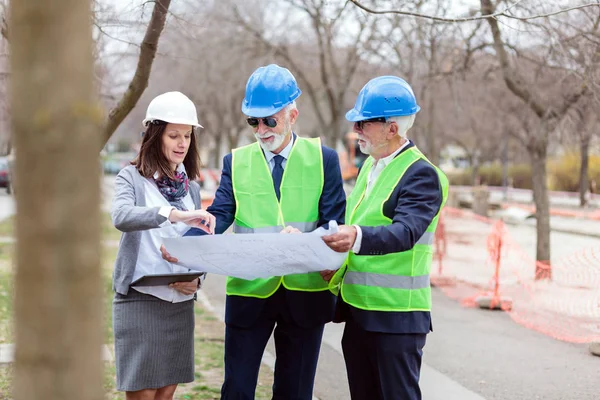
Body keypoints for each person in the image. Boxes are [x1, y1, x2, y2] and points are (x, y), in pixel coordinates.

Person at [166, 64, 346, 399]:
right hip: (250, 293)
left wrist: (310, 242)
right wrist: (186, 256)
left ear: (293, 114)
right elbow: (218, 215)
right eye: (253, 121)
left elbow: (334, 221)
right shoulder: (236, 161)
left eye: (269, 120)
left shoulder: (325, 159)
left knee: (295, 392)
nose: (261, 129)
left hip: (305, 293)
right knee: (237, 389)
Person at [321, 76, 449, 400]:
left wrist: (354, 237)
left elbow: (405, 232)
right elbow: (356, 224)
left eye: (364, 123)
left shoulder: (422, 174)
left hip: (397, 320)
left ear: (392, 129)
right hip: (359, 312)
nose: (357, 130)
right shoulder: (370, 166)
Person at [111, 91, 216, 400]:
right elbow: (120, 215)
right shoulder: (131, 177)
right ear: (155, 135)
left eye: (187, 135)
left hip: (179, 304)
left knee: (167, 391)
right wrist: (170, 213)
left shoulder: (191, 188)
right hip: (140, 299)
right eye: (173, 135)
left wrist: (197, 280)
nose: (182, 142)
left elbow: (200, 245)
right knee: (143, 392)